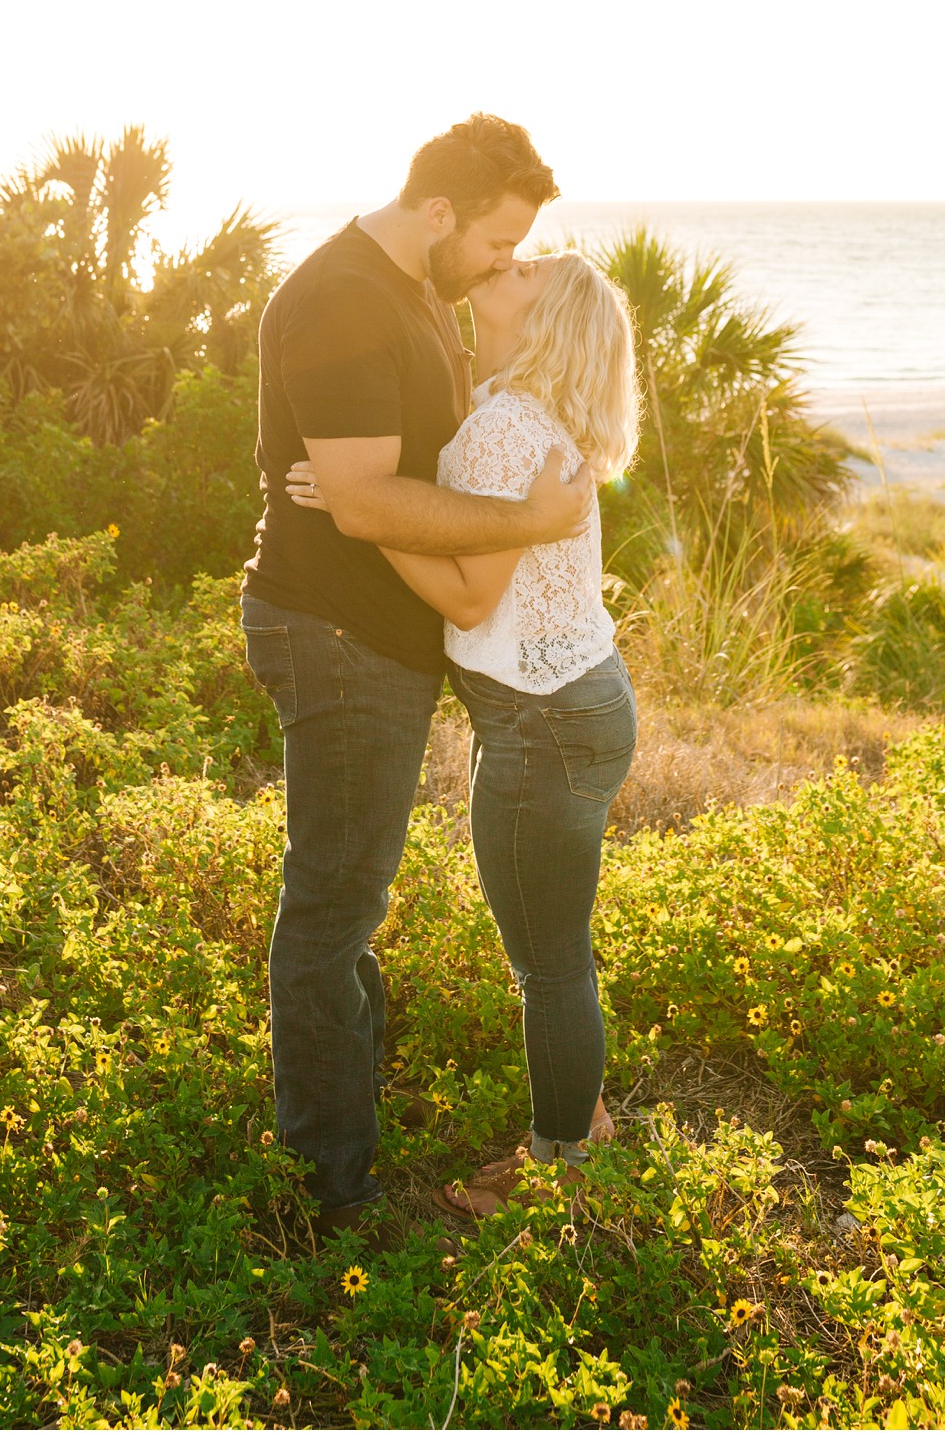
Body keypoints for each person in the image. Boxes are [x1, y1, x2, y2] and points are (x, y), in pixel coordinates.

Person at [240, 112, 593, 1248]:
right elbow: (364, 499)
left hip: (379, 641)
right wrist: (528, 519)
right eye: (497, 243)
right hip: (337, 639)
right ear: (438, 211)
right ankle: (332, 1192)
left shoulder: (418, 295)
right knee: (333, 905)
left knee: (353, 890)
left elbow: (399, 483)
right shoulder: (344, 299)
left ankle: (350, 1107)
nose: (505, 265)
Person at [287, 248, 641, 1223]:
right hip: (573, 703)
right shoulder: (516, 410)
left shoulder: (503, 430)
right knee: (558, 950)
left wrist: (362, 512)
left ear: (549, 322)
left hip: (544, 721)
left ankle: (563, 1162)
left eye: (533, 271)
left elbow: (467, 590)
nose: (512, 260)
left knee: (549, 962)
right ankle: (587, 1116)